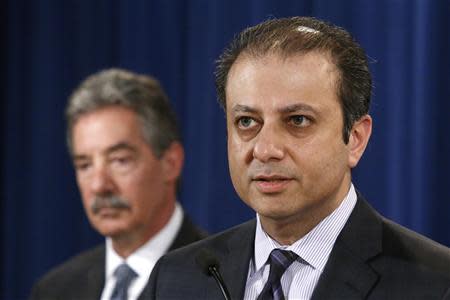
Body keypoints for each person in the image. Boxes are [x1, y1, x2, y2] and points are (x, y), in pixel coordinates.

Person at [146, 16, 450, 299]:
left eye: (298, 121)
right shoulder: (176, 279)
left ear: (355, 139)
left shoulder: (435, 284)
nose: (265, 150)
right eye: (247, 122)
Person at [30, 69, 206, 300]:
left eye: (119, 161)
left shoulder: (220, 280)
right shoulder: (54, 291)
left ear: (170, 163)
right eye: (85, 165)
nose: (99, 185)